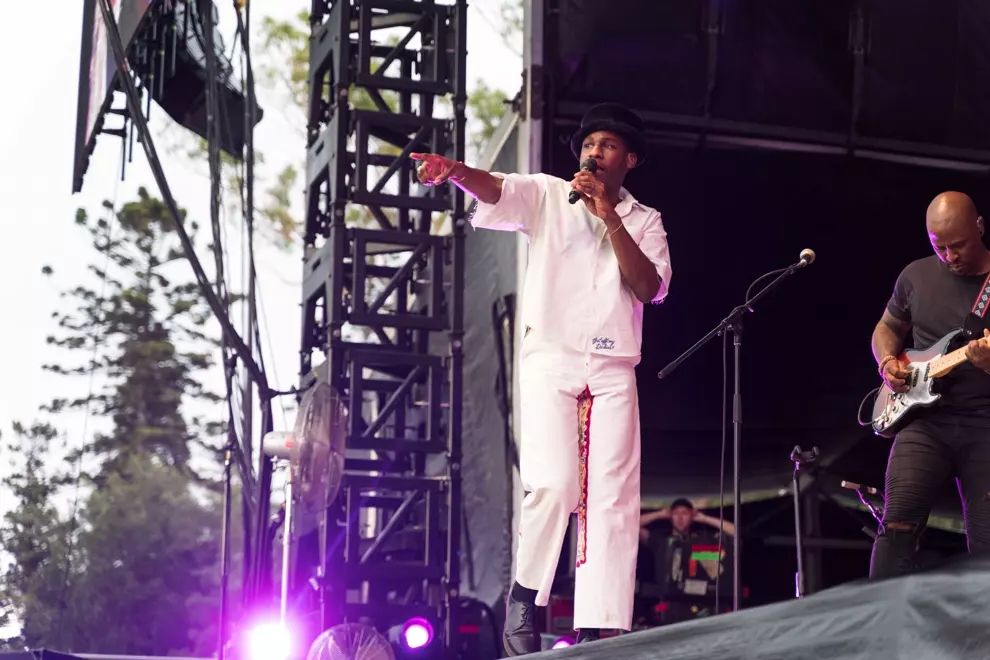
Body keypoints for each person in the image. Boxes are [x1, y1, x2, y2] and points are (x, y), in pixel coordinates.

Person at [411, 102, 672, 654]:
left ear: (631, 159)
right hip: (551, 359)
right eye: (589, 143)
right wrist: (456, 171)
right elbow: (497, 189)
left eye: (607, 145)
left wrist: (611, 217)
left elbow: (648, 287)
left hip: (613, 369)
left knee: (612, 499)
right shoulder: (551, 195)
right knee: (553, 484)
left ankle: (600, 625)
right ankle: (526, 598)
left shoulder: (645, 220)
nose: (594, 151)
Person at [871, 191, 990, 579]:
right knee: (897, 524)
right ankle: (884, 622)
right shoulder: (915, 275)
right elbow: (887, 327)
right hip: (924, 421)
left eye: (957, 246)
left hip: (984, 423)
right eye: (939, 247)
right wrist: (888, 361)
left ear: (980, 227)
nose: (949, 256)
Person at [639, 498, 735, 544]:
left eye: (684, 513)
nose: (680, 517)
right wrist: (658, 514)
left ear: (692, 516)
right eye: (676, 513)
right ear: (670, 516)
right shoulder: (660, 540)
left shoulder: (701, 540)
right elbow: (632, 528)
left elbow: (735, 532)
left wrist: (705, 519)